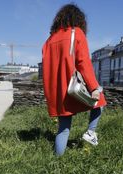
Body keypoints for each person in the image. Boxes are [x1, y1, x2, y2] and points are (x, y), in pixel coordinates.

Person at [42, 3, 106, 156]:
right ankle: (90, 133)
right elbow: (83, 63)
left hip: (56, 90)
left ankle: (57, 163)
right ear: (79, 19)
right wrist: (93, 87)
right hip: (72, 86)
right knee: (100, 102)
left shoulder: (49, 40)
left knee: (63, 127)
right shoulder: (76, 33)